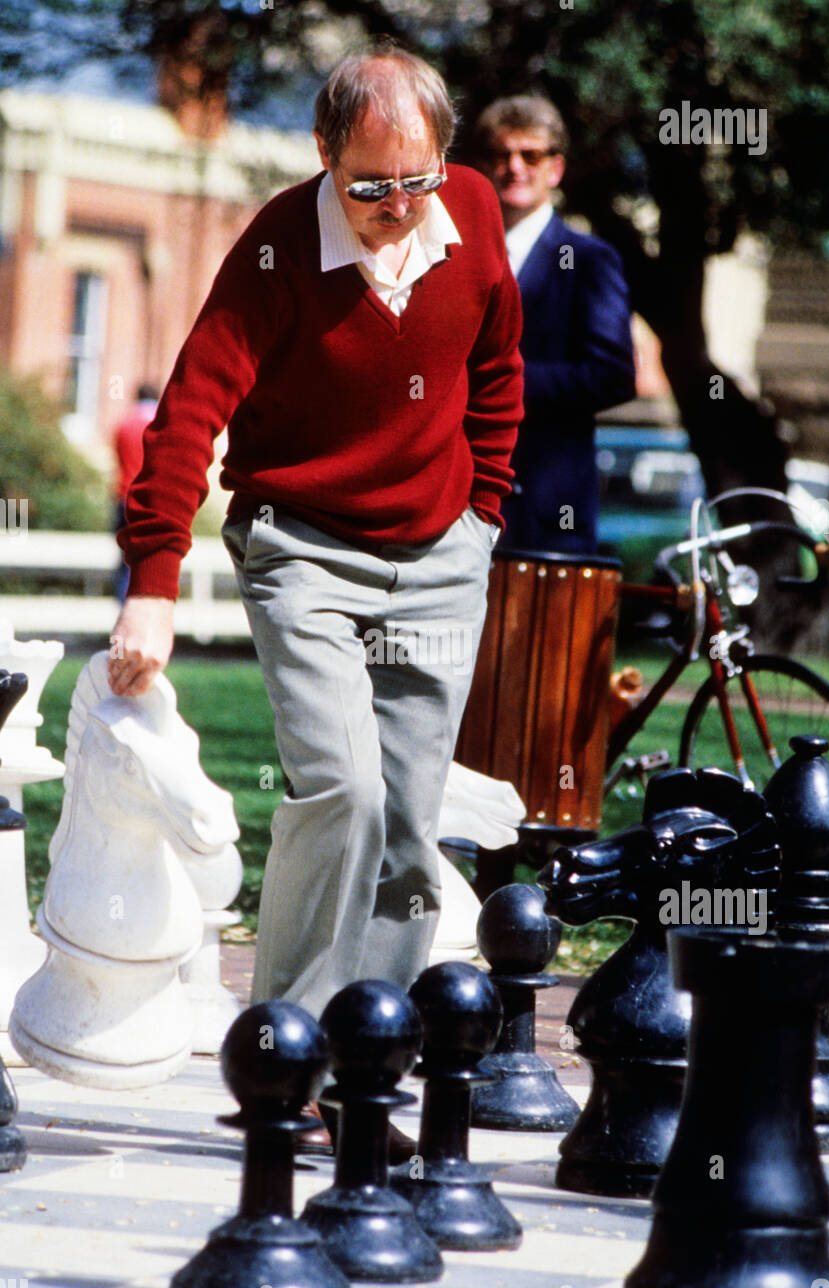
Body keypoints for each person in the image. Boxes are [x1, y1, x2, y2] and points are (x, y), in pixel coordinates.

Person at [107, 45, 524, 1148]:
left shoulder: (472, 216)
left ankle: (358, 1071)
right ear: (322, 155)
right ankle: (278, 1056)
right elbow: (190, 409)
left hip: (440, 551)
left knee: (408, 822)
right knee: (341, 789)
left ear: (445, 157)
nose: (394, 209)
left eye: (415, 181)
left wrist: (482, 510)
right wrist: (153, 581)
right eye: (368, 186)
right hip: (303, 547)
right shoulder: (278, 247)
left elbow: (496, 367)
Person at [474, 95, 635, 554]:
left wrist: (498, 384)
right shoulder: (454, 255)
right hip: (456, 505)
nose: (514, 167)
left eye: (530, 155)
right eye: (501, 155)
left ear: (556, 169)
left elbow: (613, 375)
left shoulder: (589, 261)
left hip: (545, 513)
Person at [111, 384, 158, 600]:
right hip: (151, 500)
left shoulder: (124, 424)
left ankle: (124, 608)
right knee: (151, 561)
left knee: (125, 561)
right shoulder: (160, 424)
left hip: (123, 497)